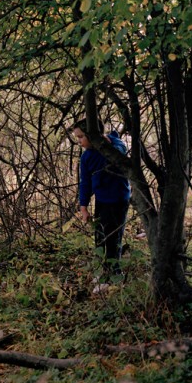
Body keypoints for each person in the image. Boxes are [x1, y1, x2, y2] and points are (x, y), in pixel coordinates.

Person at [72, 118, 131, 292]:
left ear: (94, 135)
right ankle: (102, 270)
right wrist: (83, 206)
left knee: (113, 238)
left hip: (118, 201)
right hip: (102, 200)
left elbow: (121, 150)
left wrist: (108, 143)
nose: (80, 141)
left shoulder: (115, 145)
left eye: (82, 136)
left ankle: (114, 276)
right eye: (78, 137)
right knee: (100, 236)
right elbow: (85, 183)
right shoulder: (87, 156)